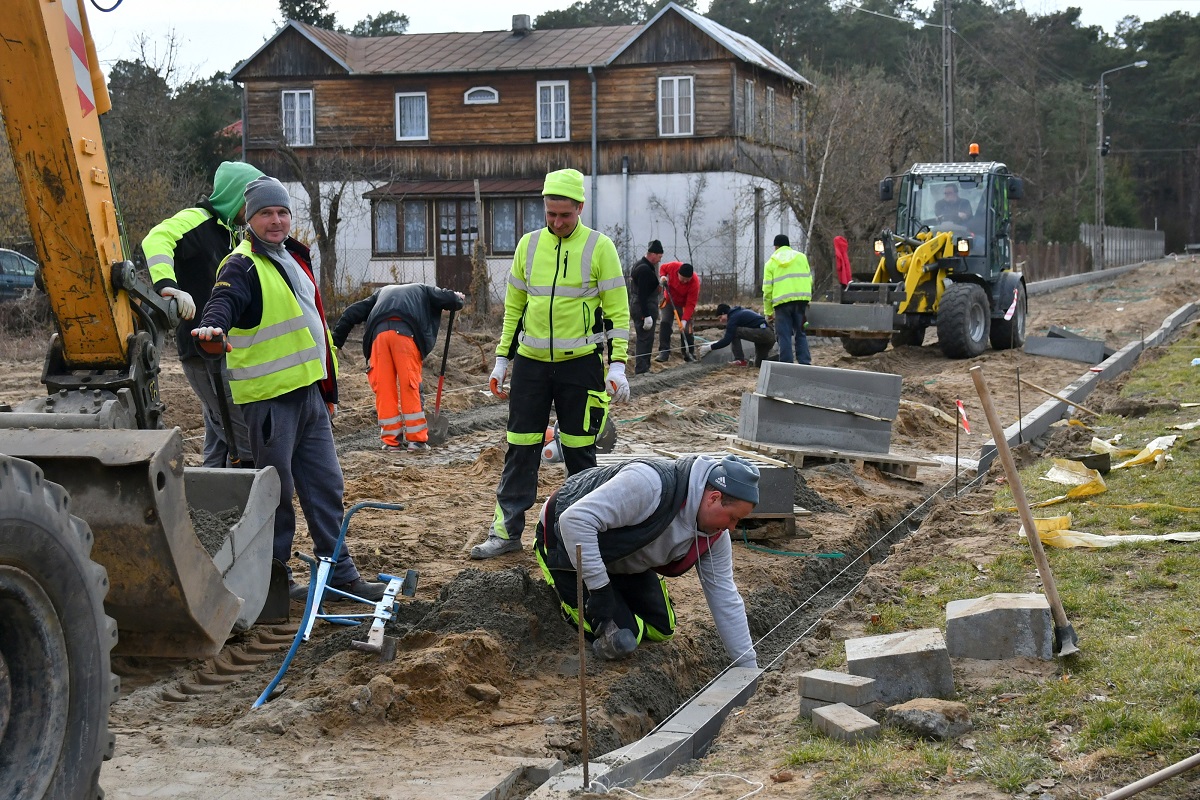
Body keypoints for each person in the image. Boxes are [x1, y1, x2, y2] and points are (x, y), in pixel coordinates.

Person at [193, 176, 387, 602]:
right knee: (275, 494)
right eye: (265, 213)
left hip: (308, 396)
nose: (276, 220)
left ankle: (339, 570)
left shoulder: (293, 257)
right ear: (250, 218)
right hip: (269, 401)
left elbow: (311, 325)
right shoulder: (240, 264)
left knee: (326, 485)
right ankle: (271, 580)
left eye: (282, 212)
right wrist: (213, 326)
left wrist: (328, 391)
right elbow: (222, 302)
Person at [472, 168, 632, 560]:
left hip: (582, 367)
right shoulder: (527, 247)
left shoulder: (600, 248)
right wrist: (501, 360)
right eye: (551, 214)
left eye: (566, 215)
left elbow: (618, 313)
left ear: (580, 207)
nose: (558, 222)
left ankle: (587, 532)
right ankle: (506, 531)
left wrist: (618, 365)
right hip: (531, 366)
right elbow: (514, 310)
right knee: (520, 447)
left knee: (580, 452)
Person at [533, 454, 759, 666]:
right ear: (714, 498)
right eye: (733, 518)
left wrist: (747, 666)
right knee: (626, 637)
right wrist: (600, 591)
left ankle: (617, 602)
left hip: (621, 556)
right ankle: (569, 601)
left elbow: (725, 597)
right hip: (565, 544)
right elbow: (574, 520)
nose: (731, 527)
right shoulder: (650, 485)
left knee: (662, 629)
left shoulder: (715, 537)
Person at [143, 160, 264, 467]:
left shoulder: (230, 235)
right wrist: (168, 287)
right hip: (201, 348)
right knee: (237, 431)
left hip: (222, 349)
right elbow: (156, 238)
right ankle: (242, 489)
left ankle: (211, 494)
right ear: (237, 195)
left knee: (217, 427)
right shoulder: (196, 220)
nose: (255, 209)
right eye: (251, 200)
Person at [331, 283, 464, 452]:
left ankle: (391, 442)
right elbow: (449, 298)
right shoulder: (424, 289)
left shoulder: (381, 293)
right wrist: (458, 299)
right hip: (405, 336)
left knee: (385, 390)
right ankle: (416, 441)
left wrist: (335, 343)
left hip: (378, 339)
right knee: (410, 386)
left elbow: (351, 313)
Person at [761, 234, 813, 365]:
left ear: (776, 247)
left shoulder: (771, 263)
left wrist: (768, 312)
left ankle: (786, 364)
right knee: (800, 333)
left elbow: (767, 290)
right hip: (801, 301)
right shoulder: (801, 257)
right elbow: (809, 279)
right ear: (788, 245)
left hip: (782, 304)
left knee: (784, 335)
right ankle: (805, 363)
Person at [699, 303, 776, 366]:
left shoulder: (733, 318)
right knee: (759, 364)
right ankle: (778, 361)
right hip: (768, 334)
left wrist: (709, 347)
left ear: (724, 313)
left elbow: (726, 340)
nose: (720, 320)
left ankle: (739, 359)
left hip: (764, 333)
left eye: (720, 317)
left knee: (734, 332)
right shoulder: (739, 312)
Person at [628, 240, 663, 374]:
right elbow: (643, 294)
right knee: (644, 339)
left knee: (647, 338)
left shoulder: (643, 266)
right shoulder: (644, 269)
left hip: (642, 305)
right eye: (659, 257)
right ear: (653, 254)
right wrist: (646, 315)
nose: (659, 260)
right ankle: (642, 369)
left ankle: (645, 368)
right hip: (643, 307)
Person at [656, 260, 700, 362]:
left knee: (687, 329)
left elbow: (691, 304)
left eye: (687, 280)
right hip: (669, 300)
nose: (684, 281)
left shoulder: (695, 282)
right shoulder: (673, 266)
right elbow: (662, 268)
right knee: (665, 323)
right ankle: (664, 352)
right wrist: (663, 276)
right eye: (683, 279)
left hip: (684, 305)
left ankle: (688, 353)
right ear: (678, 273)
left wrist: (684, 320)